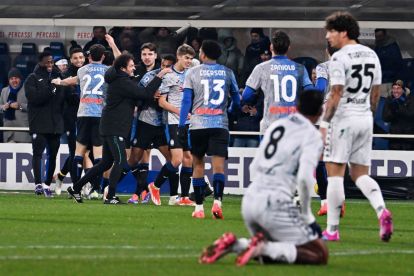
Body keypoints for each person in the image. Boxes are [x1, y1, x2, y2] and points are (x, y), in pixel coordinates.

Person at [199, 90, 328, 266]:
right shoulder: (312, 136)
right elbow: (305, 179)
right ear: (321, 112)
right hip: (275, 203)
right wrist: (306, 215)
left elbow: (255, 165)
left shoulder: (277, 125)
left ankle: (238, 245)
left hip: (250, 201)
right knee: (319, 253)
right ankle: (261, 249)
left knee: (281, 245)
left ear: (296, 107)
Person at [320, 11, 393, 242]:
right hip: (364, 118)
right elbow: (376, 94)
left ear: (343, 32)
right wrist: (367, 115)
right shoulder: (372, 54)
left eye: (331, 31)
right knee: (359, 173)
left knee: (334, 174)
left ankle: (332, 229)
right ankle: (382, 210)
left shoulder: (338, 58)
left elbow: (336, 92)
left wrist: (324, 123)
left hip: (343, 119)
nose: (328, 36)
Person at [67, 53, 171, 204]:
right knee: (121, 160)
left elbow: (139, 93)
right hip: (114, 128)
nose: (133, 67)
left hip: (111, 126)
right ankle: (110, 196)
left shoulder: (120, 80)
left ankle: (76, 188)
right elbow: (144, 94)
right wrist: (160, 75)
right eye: (130, 66)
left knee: (105, 163)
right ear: (123, 68)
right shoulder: (122, 82)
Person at [177, 40, 241, 219]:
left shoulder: (192, 72)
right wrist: (231, 111)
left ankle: (198, 208)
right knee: (218, 167)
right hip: (220, 124)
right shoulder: (228, 73)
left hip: (198, 125)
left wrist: (182, 125)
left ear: (203, 54)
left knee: (198, 164)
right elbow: (237, 99)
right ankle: (218, 202)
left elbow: (186, 101)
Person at [53, 36, 121, 197]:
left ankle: (76, 189)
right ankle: (95, 188)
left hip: (83, 115)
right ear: (103, 56)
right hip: (99, 115)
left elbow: (74, 80)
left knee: (78, 153)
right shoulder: (108, 71)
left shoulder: (82, 70)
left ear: (89, 57)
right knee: (98, 155)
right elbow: (120, 61)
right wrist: (112, 43)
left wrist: (60, 82)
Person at [147, 44, 196, 206]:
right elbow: (161, 102)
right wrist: (180, 112)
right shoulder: (168, 75)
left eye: (191, 58)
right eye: (186, 58)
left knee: (189, 159)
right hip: (174, 122)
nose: (189, 61)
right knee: (177, 160)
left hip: (189, 122)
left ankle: (183, 197)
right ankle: (155, 186)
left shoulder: (191, 74)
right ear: (179, 56)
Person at [242, 30, 313, 134]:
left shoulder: (261, 68)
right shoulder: (300, 68)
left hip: (270, 125)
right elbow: (311, 93)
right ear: (289, 48)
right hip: (293, 126)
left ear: (271, 47)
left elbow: (246, 96)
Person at [127, 55, 175, 204]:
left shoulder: (177, 79)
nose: (166, 69)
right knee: (134, 160)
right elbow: (137, 96)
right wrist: (150, 96)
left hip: (163, 125)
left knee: (173, 160)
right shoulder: (149, 76)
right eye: (164, 65)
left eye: (169, 66)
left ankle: (174, 196)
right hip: (145, 122)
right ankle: (111, 189)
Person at [25, 52, 72, 197]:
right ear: (40, 62)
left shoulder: (60, 79)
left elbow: (66, 100)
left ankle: (46, 185)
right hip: (38, 123)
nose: (50, 65)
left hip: (55, 124)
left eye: (52, 62)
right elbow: (34, 99)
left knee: (53, 155)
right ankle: (38, 185)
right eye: (47, 62)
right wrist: (51, 89)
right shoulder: (32, 79)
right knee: (38, 154)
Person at [313, 43, 342, 217]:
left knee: (320, 161)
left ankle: (325, 202)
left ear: (327, 51)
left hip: (325, 118)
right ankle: (340, 201)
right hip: (345, 117)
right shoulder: (349, 68)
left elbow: (320, 88)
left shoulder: (323, 67)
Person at [54, 48, 85, 195]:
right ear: (70, 60)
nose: (79, 60)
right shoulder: (65, 75)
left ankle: (60, 176)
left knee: (85, 152)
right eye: (75, 58)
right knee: (75, 152)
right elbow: (64, 99)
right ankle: (76, 186)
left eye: (81, 57)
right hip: (70, 118)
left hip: (86, 117)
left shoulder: (87, 71)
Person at [0, 68, 31, 143]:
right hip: (8, 132)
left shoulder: (27, 89)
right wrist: (3, 107)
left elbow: (33, 107)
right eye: (11, 79)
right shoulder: (4, 91)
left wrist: (20, 106)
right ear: (9, 80)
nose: (14, 80)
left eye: (16, 78)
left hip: (23, 132)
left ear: (20, 79)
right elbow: (0, 106)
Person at [382, 80, 414, 150]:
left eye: (398, 88)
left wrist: (399, 107)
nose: (396, 91)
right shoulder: (389, 99)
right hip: (394, 140)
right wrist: (393, 111)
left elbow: (411, 115)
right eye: (394, 88)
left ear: (403, 89)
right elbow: (385, 118)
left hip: (409, 140)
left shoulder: (411, 99)